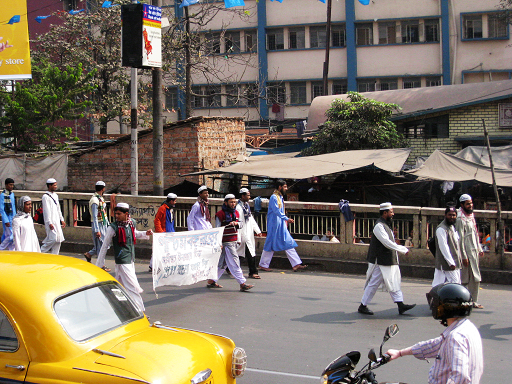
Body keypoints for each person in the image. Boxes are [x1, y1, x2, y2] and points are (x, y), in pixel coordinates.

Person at [386, 283, 483, 384]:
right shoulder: (468, 328)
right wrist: (400, 353)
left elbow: (460, 376)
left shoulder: (456, 338)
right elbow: (434, 345)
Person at [358, 202, 415, 316]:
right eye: (391, 212)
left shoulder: (386, 224)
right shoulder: (379, 226)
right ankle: (363, 306)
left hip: (387, 259)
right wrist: (402, 249)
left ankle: (400, 305)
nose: (393, 214)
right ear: (385, 213)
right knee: (375, 283)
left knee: (393, 281)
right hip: (380, 260)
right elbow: (387, 243)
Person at [97, 203, 153, 313]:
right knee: (133, 286)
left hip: (130, 259)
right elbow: (104, 246)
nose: (116, 216)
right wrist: (99, 265)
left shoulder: (132, 223)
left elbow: (134, 234)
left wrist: (145, 233)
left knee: (120, 287)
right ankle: (140, 311)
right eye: (115, 214)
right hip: (122, 261)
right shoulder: (112, 228)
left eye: (119, 214)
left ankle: (112, 308)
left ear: (126, 214)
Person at [207, 194, 253, 291]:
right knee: (235, 262)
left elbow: (241, 225)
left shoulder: (236, 213)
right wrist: (219, 243)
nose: (233, 204)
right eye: (231, 202)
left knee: (223, 263)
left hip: (233, 240)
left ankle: (212, 281)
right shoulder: (220, 214)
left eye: (234, 202)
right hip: (226, 242)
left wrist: (236, 224)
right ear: (226, 203)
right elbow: (218, 229)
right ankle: (242, 283)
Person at [259, 179, 306, 272]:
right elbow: (276, 211)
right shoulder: (274, 197)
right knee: (270, 243)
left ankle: (296, 263)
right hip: (274, 224)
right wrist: (286, 218)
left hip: (280, 223)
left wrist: (285, 219)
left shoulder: (279, 196)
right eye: (285, 187)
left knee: (287, 242)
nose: (286, 188)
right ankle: (263, 264)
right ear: (280, 187)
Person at [456, 194, 484, 309]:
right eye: (468, 204)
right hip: (466, 253)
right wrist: (463, 256)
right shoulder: (460, 218)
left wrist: (479, 248)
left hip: (474, 251)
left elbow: (475, 233)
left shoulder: (470, 216)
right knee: (464, 279)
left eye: (471, 203)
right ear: (462, 205)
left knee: (476, 278)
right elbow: (460, 239)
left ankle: (473, 301)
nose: (470, 205)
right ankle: (463, 300)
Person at [236, 188, 263, 279]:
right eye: (248, 195)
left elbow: (250, 219)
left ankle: (229, 267)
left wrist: (257, 230)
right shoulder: (239, 208)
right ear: (243, 196)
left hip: (248, 232)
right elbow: (239, 223)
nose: (249, 197)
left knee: (241, 253)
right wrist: (238, 237)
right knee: (249, 253)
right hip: (243, 233)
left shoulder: (246, 206)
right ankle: (253, 272)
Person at [84, 181, 111, 272]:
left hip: (103, 223)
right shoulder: (95, 200)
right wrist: (97, 230)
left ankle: (89, 254)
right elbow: (94, 216)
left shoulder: (100, 198)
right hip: (98, 225)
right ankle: (101, 265)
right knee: (101, 246)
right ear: (103, 189)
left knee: (102, 245)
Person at [432, 206, 462, 287]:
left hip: (455, 261)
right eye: (449, 215)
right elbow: (443, 247)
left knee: (439, 284)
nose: (451, 217)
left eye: (453, 215)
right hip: (447, 263)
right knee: (455, 284)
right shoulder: (441, 229)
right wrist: (450, 262)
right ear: (445, 215)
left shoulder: (452, 227)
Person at [150, 193, 177, 271]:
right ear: (171, 201)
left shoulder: (170, 208)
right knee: (159, 250)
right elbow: (157, 220)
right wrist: (160, 232)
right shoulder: (163, 208)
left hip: (169, 231)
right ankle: (153, 265)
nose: (175, 202)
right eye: (174, 201)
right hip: (163, 232)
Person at [40, 178, 66, 254]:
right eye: (54, 185)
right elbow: (46, 211)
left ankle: (55, 256)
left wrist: (62, 219)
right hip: (50, 221)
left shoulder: (55, 195)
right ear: (49, 185)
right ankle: (41, 251)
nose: (55, 186)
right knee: (53, 239)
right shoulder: (45, 197)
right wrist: (49, 222)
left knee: (58, 240)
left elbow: (58, 209)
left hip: (57, 221)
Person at [0, 178, 16, 250]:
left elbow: (13, 207)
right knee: (11, 236)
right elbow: (2, 209)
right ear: (6, 185)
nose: (11, 186)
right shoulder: (3, 195)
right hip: (7, 218)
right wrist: (6, 220)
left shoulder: (12, 194)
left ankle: (11, 251)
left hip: (13, 218)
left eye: (12, 185)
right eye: (10, 185)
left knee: (10, 237)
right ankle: (1, 248)